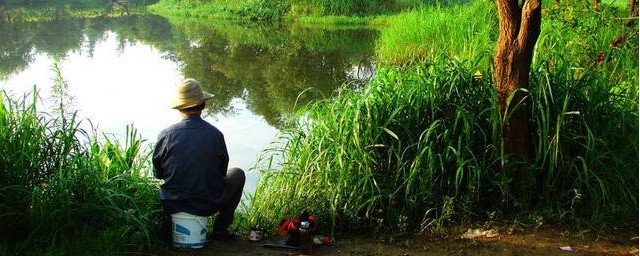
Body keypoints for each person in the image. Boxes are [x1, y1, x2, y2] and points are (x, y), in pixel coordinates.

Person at [152, 78, 245, 240]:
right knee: (237, 173)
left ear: (180, 108)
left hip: (172, 204)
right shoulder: (215, 135)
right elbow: (222, 172)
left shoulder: (166, 135)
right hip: (208, 204)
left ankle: (169, 230)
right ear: (203, 105)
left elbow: (158, 174)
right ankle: (220, 229)